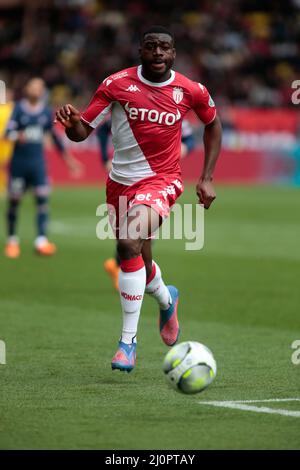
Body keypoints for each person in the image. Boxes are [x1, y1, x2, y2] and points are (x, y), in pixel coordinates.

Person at [55, 25, 222, 372]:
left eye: (165, 47)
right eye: (151, 47)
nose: (158, 53)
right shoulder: (116, 85)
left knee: (128, 243)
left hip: (163, 180)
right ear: (140, 52)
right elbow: (82, 132)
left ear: (173, 54)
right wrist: (72, 124)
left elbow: (213, 124)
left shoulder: (190, 90)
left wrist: (206, 177)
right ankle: (166, 297)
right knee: (139, 259)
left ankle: (127, 343)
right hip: (119, 184)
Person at [100, 118, 196, 291]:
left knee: (139, 231)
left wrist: (184, 148)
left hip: (158, 178)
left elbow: (190, 138)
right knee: (134, 233)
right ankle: (126, 270)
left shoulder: (175, 109)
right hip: (129, 176)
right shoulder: (132, 104)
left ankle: (123, 269)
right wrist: (103, 158)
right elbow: (102, 128)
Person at [4, 77, 82, 258]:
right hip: (19, 164)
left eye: (39, 87)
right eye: (33, 86)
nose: (36, 90)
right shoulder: (18, 109)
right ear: (27, 89)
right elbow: (7, 133)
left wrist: (70, 162)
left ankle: (41, 241)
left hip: (38, 164)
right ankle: (12, 241)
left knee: (42, 200)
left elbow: (55, 139)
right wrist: (17, 135)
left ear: (43, 91)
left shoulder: (46, 113)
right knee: (14, 202)